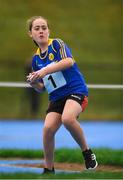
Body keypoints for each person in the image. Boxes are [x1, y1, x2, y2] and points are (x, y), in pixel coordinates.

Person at [26, 16, 98, 174]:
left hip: (75, 90)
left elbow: (68, 62)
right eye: (37, 28)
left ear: (48, 30)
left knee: (67, 118)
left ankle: (87, 152)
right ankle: (48, 169)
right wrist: (34, 83)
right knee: (47, 129)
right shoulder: (36, 59)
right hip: (57, 97)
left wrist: (43, 71)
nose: (41, 31)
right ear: (30, 33)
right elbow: (42, 88)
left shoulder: (57, 44)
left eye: (44, 27)